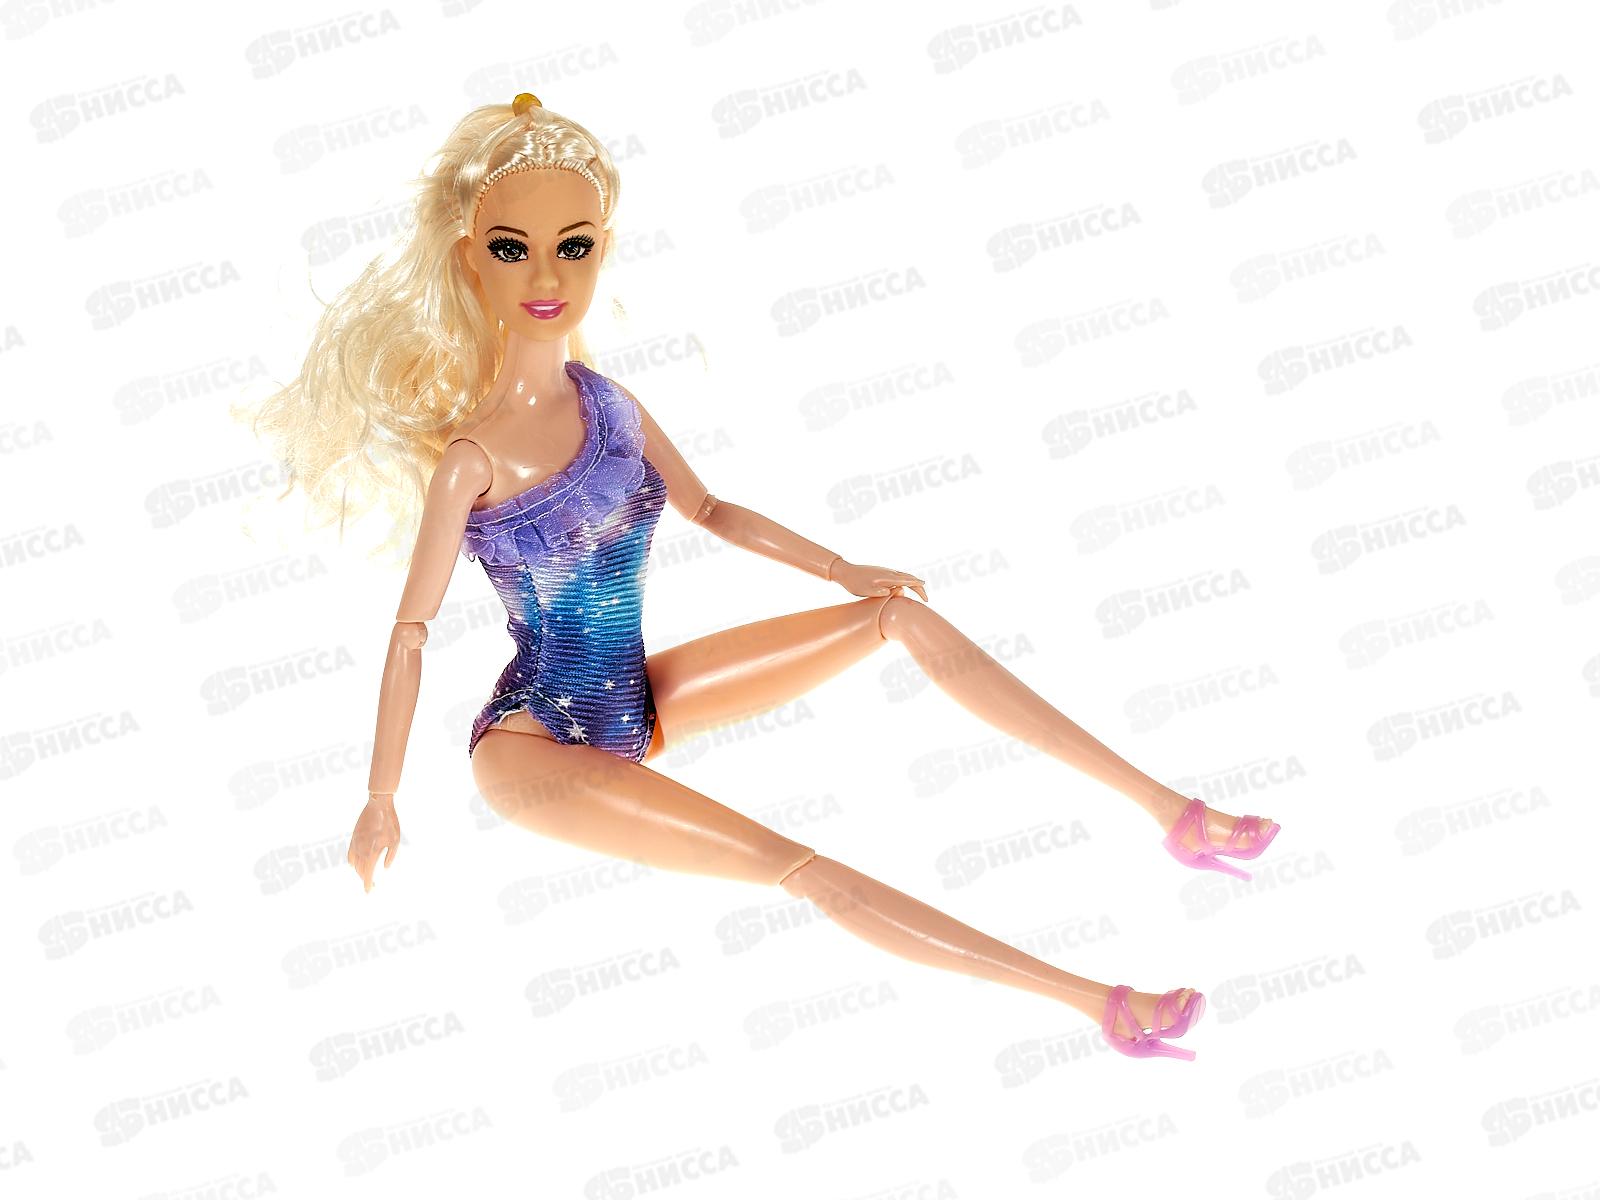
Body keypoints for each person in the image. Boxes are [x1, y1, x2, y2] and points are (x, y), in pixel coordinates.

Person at [241, 93, 1280, 1062]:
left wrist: (840, 568)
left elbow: (710, 510)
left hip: (636, 698)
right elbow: (410, 632)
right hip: (536, 743)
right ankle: (1102, 1006)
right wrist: (381, 795)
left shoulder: (610, 404)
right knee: (803, 866)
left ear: (602, 248)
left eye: (574, 246)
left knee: (894, 618)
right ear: (472, 261)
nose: (546, 275)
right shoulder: (472, 460)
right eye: (513, 249)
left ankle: (1172, 814)